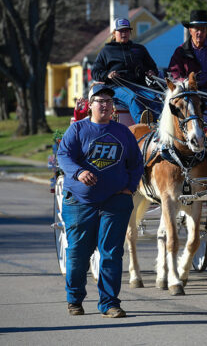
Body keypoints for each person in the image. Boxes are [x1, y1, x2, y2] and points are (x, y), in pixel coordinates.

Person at [56, 83, 144, 318]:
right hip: (80, 202)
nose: (104, 105)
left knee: (112, 253)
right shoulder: (77, 131)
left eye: (108, 101)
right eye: (99, 100)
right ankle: (74, 299)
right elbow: (63, 156)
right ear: (90, 105)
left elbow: (136, 163)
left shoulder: (123, 132)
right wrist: (78, 172)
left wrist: (130, 187)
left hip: (115, 201)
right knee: (77, 253)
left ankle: (110, 303)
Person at [91, 17, 161, 123]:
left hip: (139, 87)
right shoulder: (106, 51)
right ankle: (143, 127)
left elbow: (152, 66)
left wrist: (152, 72)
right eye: (121, 31)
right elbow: (95, 72)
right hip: (116, 88)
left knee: (155, 99)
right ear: (114, 33)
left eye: (127, 30)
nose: (124, 33)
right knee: (133, 97)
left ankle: (159, 129)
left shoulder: (139, 49)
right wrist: (108, 75)